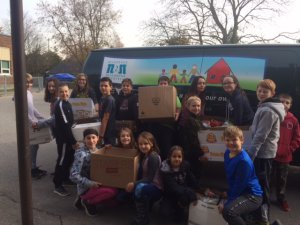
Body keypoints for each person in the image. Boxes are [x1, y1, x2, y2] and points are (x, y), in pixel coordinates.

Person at [247, 79, 285, 224]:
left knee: (262, 186)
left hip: (262, 155)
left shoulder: (268, 110)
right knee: (259, 184)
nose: (261, 93)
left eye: (265, 91)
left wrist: (250, 156)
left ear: (272, 93)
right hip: (263, 153)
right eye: (259, 90)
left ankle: (264, 219)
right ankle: (257, 215)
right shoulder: (264, 106)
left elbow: (260, 136)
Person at [218, 125, 263, 225]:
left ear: (242, 140)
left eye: (234, 140)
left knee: (228, 212)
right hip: (242, 192)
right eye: (227, 140)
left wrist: (227, 202)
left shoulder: (243, 161)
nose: (230, 143)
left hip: (252, 196)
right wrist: (228, 193)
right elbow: (232, 179)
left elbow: (239, 186)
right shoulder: (227, 153)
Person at [70, 128, 118, 216]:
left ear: (98, 138)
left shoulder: (99, 149)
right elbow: (73, 175)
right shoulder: (81, 154)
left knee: (114, 196)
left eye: (93, 137)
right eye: (88, 138)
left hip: (99, 181)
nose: (91, 141)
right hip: (87, 186)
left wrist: (106, 149)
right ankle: (87, 201)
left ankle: (83, 199)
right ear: (84, 140)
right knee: (111, 192)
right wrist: (90, 183)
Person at [126, 131, 163, 225]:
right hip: (148, 183)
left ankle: (143, 219)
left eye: (146, 143)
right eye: (140, 144)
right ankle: (144, 210)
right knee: (138, 187)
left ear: (152, 143)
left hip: (156, 186)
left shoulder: (153, 157)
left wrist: (134, 184)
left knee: (139, 188)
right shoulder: (145, 154)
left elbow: (150, 178)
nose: (143, 146)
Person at [271, 93, 300, 212]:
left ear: (291, 105)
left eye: (287, 102)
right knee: (266, 178)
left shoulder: (293, 120)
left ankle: (281, 199)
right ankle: (263, 198)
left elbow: (297, 138)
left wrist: (288, 150)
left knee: (282, 180)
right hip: (271, 155)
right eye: (281, 101)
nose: (284, 104)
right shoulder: (272, 116)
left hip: (285, 158)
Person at [160, 145, 202, 223]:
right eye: (174, 156)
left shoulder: (185, 165)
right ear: (169, 157)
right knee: (164, 213)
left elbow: (192, 178)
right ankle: (169, 206)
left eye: (179, 156)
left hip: (182, 194)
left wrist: (202, 190)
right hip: (169, 194)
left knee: (181, 217)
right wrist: (191, 193)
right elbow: (173, 187)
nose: (177, 159)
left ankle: (180, 208)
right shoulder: (165, 169)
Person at [53, 83, 80, 196]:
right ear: (58, 93)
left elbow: (71, 121)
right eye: (61, 92)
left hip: (68, 138)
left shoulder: (67, 103)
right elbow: (65, 125)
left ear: (69, 91)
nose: (64, 93)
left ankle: (65, 179)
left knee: (69, 159)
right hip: (64, 140)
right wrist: (73, 141)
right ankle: (57, 185)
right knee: (62, 160)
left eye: (66, 91)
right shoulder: (60, 105)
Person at [148, 76, 181, 160]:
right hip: (155, 125)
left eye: (165, 83)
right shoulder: (152, 94)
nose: (163, 85)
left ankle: (165, 165)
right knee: (155, 146)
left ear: (168, 85)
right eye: (161, 83)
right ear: (158, 85)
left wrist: (177, 114)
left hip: (167, 127)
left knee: (166, 148)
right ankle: (155, 163)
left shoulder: (173, 95)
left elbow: (178, 107)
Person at [26, 73, 48, 179]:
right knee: (31, 146)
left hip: (33, 122)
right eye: (26, 82)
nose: (28, 84)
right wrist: (32, 122)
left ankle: (33, 167)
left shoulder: (29, 93)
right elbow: (22, 111)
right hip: (27, 125)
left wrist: (41, 117)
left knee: (35, 145)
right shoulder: (20, 93)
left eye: (30, 82)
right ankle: (30, 170)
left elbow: (32, 108)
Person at [180, 96, 205, 178]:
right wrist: (200, 153)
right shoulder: (190, 120)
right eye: (193, 106)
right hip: (192, 153)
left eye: (198, 106)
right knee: (194, 173)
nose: (196, 108)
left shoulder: (193, 118)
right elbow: (194, 139)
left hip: (191, 152)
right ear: (188, 106)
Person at [98, 77, 116, 145]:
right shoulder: (102, 98)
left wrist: (101, 136)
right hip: (103, 130)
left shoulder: (110, 100)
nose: (103, 88)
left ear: (110, 87)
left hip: (109, 133)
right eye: (101, 86)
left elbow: (106, 118)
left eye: (106, 86)